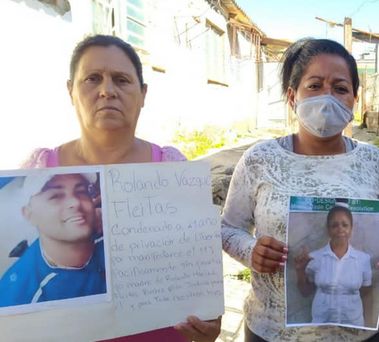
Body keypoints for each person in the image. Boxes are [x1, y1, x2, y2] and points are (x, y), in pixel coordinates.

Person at [21, 35, 220, 342]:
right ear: (70, 91)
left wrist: (206, 315)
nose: (107, 91)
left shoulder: (172, 168)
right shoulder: (40, 168)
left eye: (121, 79)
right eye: (92, 78)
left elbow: (196, 270)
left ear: (142, 94)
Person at [221, 38, 379, 342]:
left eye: (340, 88)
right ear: (293, 97)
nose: (327, 97)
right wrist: (251, 250)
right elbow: (228, 228)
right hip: (273, 331)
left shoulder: (373, 161)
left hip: (363, 332)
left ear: (354, 100)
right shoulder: (260, 159)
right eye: (315, 85)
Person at [0, 173, 104, 308]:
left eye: (81, 191)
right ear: (29, 215)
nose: (76, 202)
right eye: (55, 196)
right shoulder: (21, 298)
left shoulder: (112, 231)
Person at [294, 201, 373, 327]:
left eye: (345, 225)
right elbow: (305, 293)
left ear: (351, 228)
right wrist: (300, 271)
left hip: (353, 328)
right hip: (322, 327)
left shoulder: (363, 259)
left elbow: (366, 293)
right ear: (328, 229)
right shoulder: (314, 258)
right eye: (334, 225)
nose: (340, 229)